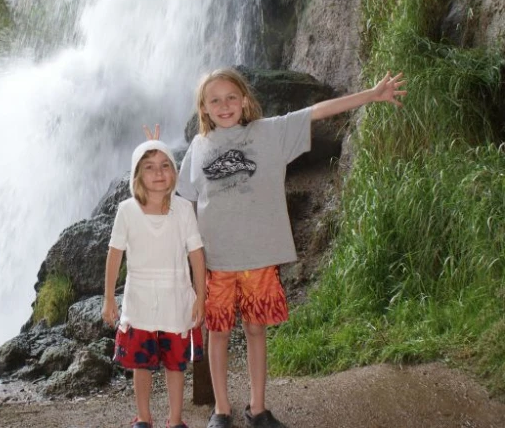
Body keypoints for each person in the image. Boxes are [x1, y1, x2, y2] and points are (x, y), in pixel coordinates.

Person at [171, 67, 406, 428]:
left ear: (245, 100)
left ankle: (258, 408)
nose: (225, 105)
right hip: (216, 259)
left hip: (259, 257)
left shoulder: (270, 132)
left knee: (255, 329)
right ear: (203, 108)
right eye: (214, 100)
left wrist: (371, 94)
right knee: (217, 333)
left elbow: (318, 111)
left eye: (231, 97)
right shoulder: (197, 149)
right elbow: (183, 205)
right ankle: (221, 409)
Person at [102, 139, 207, 428]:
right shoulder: (127, 210)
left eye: (165, 166)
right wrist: (109, 298)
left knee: (176, 364)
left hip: (177, 297)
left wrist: (201, 296)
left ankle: (175, 420)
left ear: (174, 172)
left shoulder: (183, 209)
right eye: (149, 167)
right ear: (137, 175)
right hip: (140, 299)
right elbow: (114, 255)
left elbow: (196, 255)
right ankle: (143, 417)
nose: (158, 173)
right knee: (141, 364)